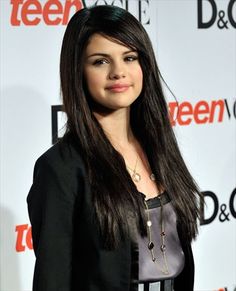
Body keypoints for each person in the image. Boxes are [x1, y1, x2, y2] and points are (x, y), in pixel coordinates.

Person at [27, 5, 201, 291]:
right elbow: (52, 280)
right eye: (100, 61)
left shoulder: (160, 149)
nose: (119, 72)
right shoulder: (60, 168)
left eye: (129, 57)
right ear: (77, 71)